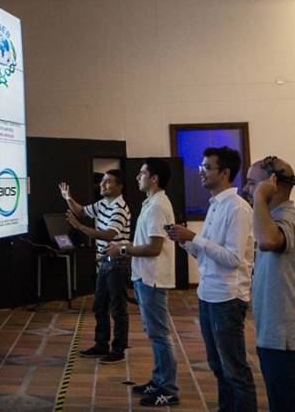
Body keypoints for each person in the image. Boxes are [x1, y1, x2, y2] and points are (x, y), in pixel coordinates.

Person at [166, 147, 257, 412]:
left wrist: (194, 237)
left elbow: (232, 258)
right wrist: (184, 241)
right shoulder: (215, 205)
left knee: (234, 368)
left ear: (225, 172)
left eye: (207, 167)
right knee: (217, 365)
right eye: (201, 167)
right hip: (208, 293)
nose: (201, 172)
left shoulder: (237, 208)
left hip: (227, 296)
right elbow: (205, 254)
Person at [242, 156, 295, 412]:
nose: (246, 189)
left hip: (291, 342)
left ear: (271, 184)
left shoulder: (290, 217)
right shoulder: (273, 217)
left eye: (252, 183)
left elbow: (269, 241)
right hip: (277, 339)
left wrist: (259, 197)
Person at [107, 158, 180, 407]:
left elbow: (154, 247)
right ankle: (159, 380)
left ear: (154, 178)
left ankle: (168, 389)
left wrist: (122, 250)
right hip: (144, 277)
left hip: (152, 279)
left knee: (160, 335)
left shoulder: (158, 205)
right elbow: (144, 242)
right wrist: (124, 245)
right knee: (154, 333)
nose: (138, 177)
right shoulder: (151, 203)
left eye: (142, 173)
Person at [59, 169, 131, 364]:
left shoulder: (119, 207)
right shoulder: (103, 203)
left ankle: (118, 350)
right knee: (99, 306)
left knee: (117, 309)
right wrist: (68, 198)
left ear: (119, 186)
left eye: (108, 182)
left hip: (117, 262)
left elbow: (108, 234)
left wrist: (80, 227)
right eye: (102, 181)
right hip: (105, 261)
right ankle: (101, 345)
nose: (102, 184)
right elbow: (81, 211)